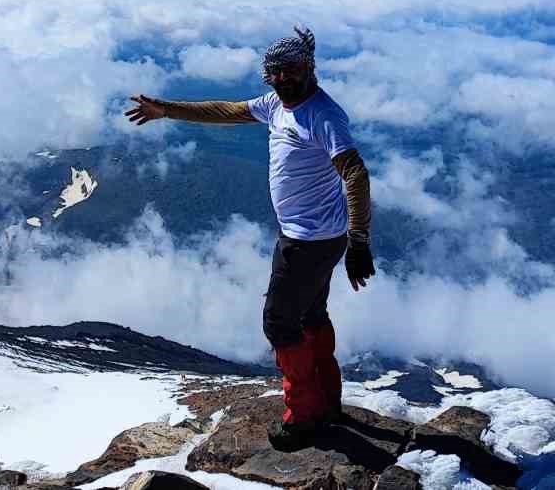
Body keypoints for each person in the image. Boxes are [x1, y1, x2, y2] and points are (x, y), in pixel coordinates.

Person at [125, 26, 374, 451]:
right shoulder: (278, 106)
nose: (282, 79)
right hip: (312, 236)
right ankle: (327, 402)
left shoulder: (322, 115)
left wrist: (359, 241)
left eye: (290, 70)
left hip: (309, 240)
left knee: (279, 321)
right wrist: (167, 110)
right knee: (310, 314)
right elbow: (226, 111)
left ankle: (304, 416)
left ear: (309, 69)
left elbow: (355, 173)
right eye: (275, 72)